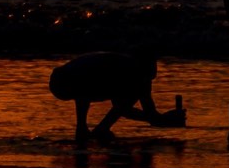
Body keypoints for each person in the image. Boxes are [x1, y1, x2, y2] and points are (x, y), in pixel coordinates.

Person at [48, 50, 186, 143]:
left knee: (125, 99)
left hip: (63, 78)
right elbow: (149, 115)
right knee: (124, 96)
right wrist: (164, 119)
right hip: (64, 81)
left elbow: (148, 115)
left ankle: (98, 129)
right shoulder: (130, 72)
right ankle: (85, 128)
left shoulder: (132, 71)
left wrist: (163, 119)